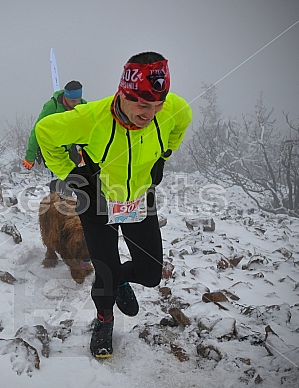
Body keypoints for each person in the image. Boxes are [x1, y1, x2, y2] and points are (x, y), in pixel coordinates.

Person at [36, 51, 192, 358]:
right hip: (98, 204)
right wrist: (73, 174)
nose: (151, 113)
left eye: (158, 104)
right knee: (104, 274)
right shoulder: (91, 117)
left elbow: (181, 121)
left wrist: (165, 155)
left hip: (139, 201)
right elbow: (45, 132)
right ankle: (104, 319)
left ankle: (118, 280)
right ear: (123, 93)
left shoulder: (174, 108)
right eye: (143, 104)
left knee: (149, 273)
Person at [22, 80, 86, 172]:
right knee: (61, 178)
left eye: (78, 100)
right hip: (51, 149)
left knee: (74, 178)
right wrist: (30, 157)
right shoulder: (52, 107)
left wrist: (83, 151)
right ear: (65, 97)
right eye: (73, 101)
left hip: (70, 148)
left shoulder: (83, 106)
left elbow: (88, 130)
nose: (76, 104)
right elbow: (37, 130)